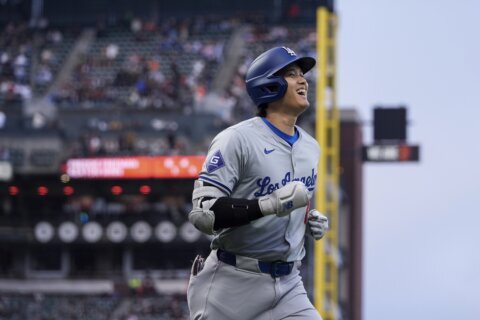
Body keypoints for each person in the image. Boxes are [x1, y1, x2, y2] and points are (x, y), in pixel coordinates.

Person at [187, 46, 329, 320]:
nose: (303, 81)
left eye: (302, 74)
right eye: (291, 74)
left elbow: (291, 201)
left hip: (289, 284)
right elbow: (203, 213)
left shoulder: (311, 147)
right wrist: (268, 205)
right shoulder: (236, 139)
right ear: (269, 85)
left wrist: (307, 219)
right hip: (233, 283)